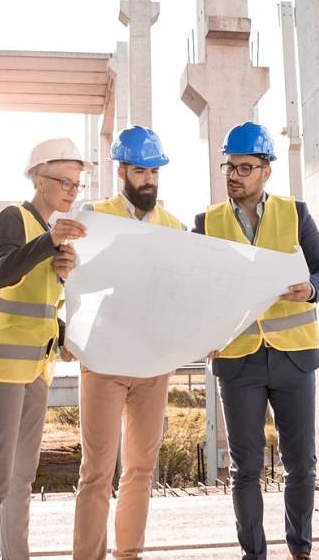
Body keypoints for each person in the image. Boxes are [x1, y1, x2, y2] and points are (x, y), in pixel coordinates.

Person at [193, 121, 319, 560]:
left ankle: (300, 550)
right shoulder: (207, 222)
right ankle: (253, 554)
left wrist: (310, 288)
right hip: (238, 361)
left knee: (301, 464)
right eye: (230, 167)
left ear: (266, 171)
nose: (234, 175)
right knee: (245, 469)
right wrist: (202, 333)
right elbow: (192, 289)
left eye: (244, 167)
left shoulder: (295, 214)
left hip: (294, 358)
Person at [0, 137, 89, 560]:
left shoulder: (52, 235)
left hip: (36, 367)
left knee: (21, 480)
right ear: (37, 178)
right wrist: (48, 244)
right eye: (64, 181)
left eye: (77, 184)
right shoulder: (14, 217)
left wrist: (63, 330)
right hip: (0, 367)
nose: (72, 190)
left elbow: (38, 307)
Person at [73, 126, 186, 560]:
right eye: (141, 171)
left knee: (140, 469)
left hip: (153, 363)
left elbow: (186, 291)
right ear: (121, 171)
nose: (149, 180)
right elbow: (73, 280)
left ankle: (130, 554)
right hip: (104, 360)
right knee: (96, 472)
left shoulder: (173, 227)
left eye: (154, 171)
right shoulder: (94, 216)